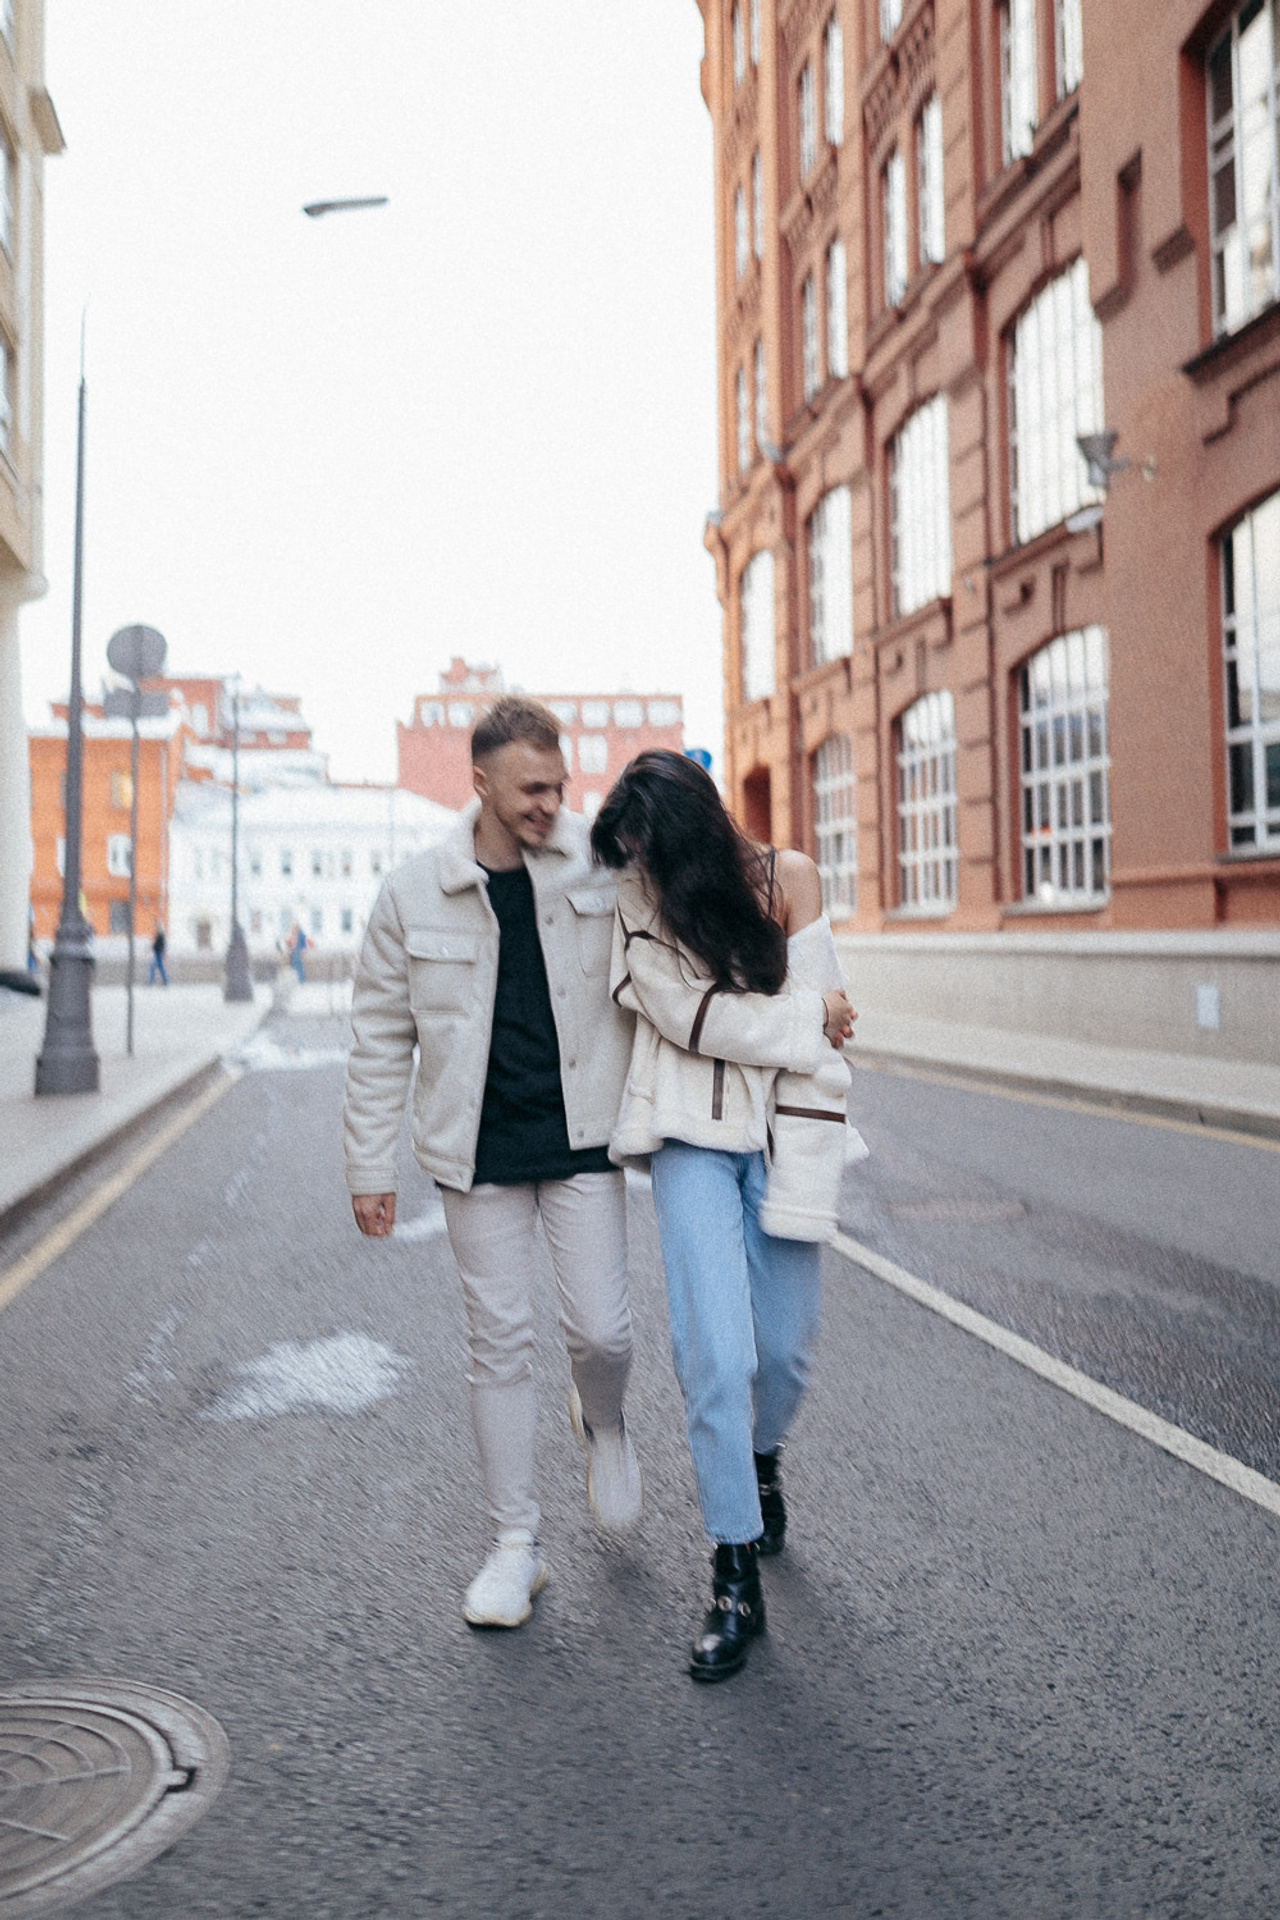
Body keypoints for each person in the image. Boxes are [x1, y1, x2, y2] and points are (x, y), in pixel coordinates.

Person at [343, 697, 641, 1630]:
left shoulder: (603, 863)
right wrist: (369, 1168)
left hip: (584, 1134)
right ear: (479, 783)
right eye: (531, 789)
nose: (552, 802)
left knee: (604, 1332)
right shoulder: (413, 891)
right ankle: (517, 1547)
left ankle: (604, 1421)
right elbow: (380, 1039)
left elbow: (671, 955)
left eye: (560, 785)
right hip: (475, 1151)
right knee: (499, 1345)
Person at [590, 750, 855, 1682]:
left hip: (786, 1131)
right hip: (686, 1132)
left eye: (653, 848)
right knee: (716, 1353)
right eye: (630, 852)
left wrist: (807, 1023)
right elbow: (691, 1020)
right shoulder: (637, 897)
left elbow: (838, 1034)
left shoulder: (791, 878)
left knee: (782, 1351)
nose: (640, 866)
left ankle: (763, 1455)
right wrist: (800, 1015)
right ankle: (732, 1568)